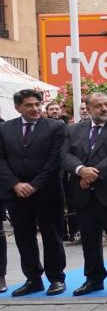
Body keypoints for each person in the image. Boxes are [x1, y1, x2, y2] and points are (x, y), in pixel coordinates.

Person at [62, 92, 107, 296]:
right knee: (89, 240)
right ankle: (94, 279)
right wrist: (80, 171)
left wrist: (92, 174)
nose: (104, 109)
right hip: (84, 195)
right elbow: (65, 155)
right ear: (87, 108)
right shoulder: (74, 130)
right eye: (98, 106)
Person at [0, 89, 68, 296]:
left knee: (52, 236)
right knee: (23, 237)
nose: (35, 108)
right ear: (17, 107)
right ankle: (33, 279)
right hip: (15, 194)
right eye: (29, 105)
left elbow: (55, 160)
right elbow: (1, 160)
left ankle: (56, 278)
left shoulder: (56, 127)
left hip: (47, 192)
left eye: (37, 104)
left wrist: (35, 184)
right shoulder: (4, 129)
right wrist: (15, 184)